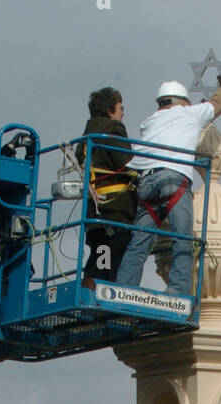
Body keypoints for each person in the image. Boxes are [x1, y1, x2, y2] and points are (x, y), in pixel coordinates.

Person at [115, 73, 221, 298]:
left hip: (147, 183)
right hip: (174, 180)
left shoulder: (149, 122)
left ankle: (123, 289)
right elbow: (218, 104)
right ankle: (178, 291)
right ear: (182, 101)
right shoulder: (190, 113)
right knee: (183, 239)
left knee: (139, 243)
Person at [77, 88, 136, 287]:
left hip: (95, 211)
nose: (123, 113)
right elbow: (126, 165)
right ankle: (107, 295)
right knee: (115, 259)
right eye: (121, 108)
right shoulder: (113, 130)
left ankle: (92, 286)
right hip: (116, 210)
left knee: (100, 252)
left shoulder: (86, 137)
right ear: (111, 110)